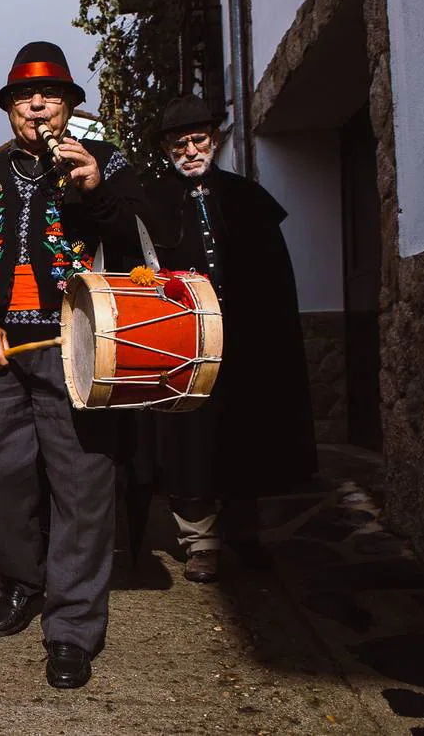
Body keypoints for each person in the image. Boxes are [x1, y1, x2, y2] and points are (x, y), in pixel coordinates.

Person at [0, 42, 151, 688]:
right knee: (8, 484)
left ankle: (71, 628)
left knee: (83, 488)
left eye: (50, 95)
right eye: (23, 98)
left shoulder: (106, 161)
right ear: (10, 110)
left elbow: (131, 251)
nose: (36, 105)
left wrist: (94, 190)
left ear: (68, 106)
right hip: (3, 355)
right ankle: (24, 582)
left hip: (77, 351)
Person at [144, 95, 317, 583]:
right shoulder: (152, 202)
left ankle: (246, 533)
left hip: (246, 345)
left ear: (214, 140)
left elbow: (274, 278)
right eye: (180, 143)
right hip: (186, 346)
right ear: (166, 148)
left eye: (199, 140)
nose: (191, 150)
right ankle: (201, 541)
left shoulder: (248, 198)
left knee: (246, 436)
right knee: (189, 443)